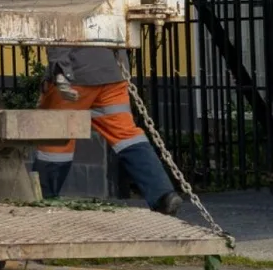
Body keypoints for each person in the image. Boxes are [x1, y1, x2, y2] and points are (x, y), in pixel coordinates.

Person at [32, 47, 184, 215]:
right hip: (113, 74)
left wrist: (61, 73)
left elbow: (58, 32)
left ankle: (43, 198)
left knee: (55, 140)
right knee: (127, 136)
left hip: (76, 75)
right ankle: (162, 195)